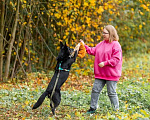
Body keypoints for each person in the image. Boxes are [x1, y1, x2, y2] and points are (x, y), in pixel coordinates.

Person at [80, 25, 122, 114]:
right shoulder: (101, 44)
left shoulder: (116, 45)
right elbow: (93, 51)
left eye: (105, 33)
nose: (103, 34)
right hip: (100, 74)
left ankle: (116, 110)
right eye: (102, 32)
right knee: (95, 90)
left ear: (111, 34)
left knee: (111, 92)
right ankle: (92, 108)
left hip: (111, 74)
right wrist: (84, 46)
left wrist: (105, 63)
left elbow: (116, 59)